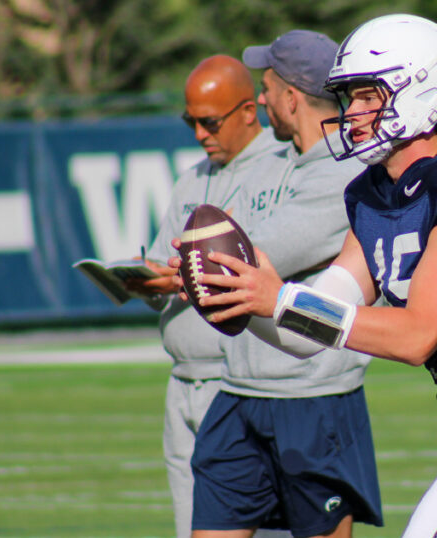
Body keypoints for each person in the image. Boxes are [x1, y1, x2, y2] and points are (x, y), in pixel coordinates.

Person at [180, 14, 437, 537]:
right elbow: (306, 332)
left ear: (422, 89)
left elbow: (419, 335)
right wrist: (246, 302)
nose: (349, 112)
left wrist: (280, 298)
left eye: (364, 95)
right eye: (347, 97)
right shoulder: (370, 195)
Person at [184, 30, 382, 537]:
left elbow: (258, 259)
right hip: (238, 393)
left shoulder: (347, 172)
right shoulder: (265, 164)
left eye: (268, 88)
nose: (263, 98)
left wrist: (211, 258)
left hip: (314, 398)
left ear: (291, 97)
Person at [133, 54, 288, 538]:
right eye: (190, 121)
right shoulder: (191, 179)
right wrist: (150, 282)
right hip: (182, 384)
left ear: (248, 110)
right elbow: (161, 265)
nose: (200, 133)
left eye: (209, 121)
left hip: (242, 383)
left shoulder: (282, 171)